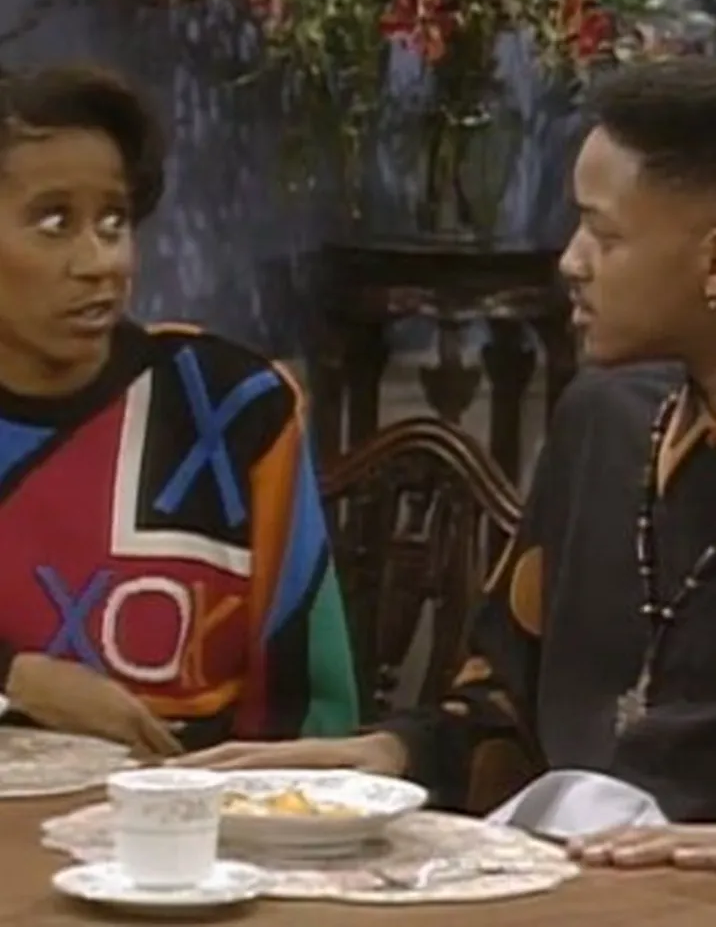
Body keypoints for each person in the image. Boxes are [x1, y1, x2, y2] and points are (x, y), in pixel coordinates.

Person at [177, 56, 716, 829]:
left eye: (604, 234)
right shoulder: (607, 422)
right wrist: (393, 756)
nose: (570, 261)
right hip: (575, 868)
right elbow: (505, 707)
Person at [0, 63, 358, 756]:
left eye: (113, 221)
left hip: (197, 814)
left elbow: (310, 716)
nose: (101, 262)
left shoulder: (235, 408)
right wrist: (15, 681)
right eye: (54, 222)